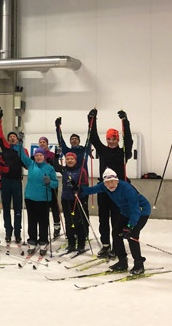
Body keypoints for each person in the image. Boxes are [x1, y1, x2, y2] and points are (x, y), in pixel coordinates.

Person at [79, 168, 151, 275]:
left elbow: (135, 210)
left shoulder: (127, 189)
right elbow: (92, 190)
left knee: (132, 236)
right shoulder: (104, 186)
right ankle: (122, 262)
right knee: (116, 233)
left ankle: (139, 264)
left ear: (117, 180)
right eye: (107, 182)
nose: (110, 184)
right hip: (126, 212)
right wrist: (79, 189)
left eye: (112, 181)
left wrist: (130, 226)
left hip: (141, 212)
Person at [88, 108, 133, 258]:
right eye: (109, 139)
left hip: (118, 191)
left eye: (114, 139)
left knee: (116, 219)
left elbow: (129, 140)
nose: (112, 141)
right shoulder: (102, 150)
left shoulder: (123, 152)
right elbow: (93, 137)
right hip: (104, 190)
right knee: (103, 219)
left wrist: (125, 122)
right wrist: (91, 119)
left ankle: (116, 245)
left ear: (117, 140)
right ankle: (105, 245)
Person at [12, 142, 59, 256]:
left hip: (44, 199)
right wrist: (20, 143)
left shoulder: (49, 168)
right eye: (37, 155)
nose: (38, 157)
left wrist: (50, 182)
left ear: (44, 157)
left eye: (41, 155)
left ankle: (43, 241)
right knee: (32, 220)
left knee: (43, 221)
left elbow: (56, 184)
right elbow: (22, 155)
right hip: (30, 198)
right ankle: (32, 240)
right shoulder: (31, 164)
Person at [0, 109, 27, 245]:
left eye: (14, 136)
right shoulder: (6, 148)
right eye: (10, 137)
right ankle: (8, 231)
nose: (12, 138)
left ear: (17, 138)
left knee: (18, 208)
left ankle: (18, 233)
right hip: (5, 181)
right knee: (7, 208)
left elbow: (26, 165)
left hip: (16, 182)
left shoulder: (22, 150)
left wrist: (21, 148)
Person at [60, 152, 89, 254]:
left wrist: (78, 187)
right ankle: (71, 243)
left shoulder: (82, 171)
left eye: (72, 159)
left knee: (79, 222)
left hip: (77, 199)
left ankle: (81, 244)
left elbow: (86, 186)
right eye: (67, 159)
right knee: (69, 222)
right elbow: (55, 165)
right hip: (66, 199)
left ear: (75, 160)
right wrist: (56, 156)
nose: (69, 161)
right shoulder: (64, 170)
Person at [34, 136, 62, 238]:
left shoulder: (51, 154)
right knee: (43, 207)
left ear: (47, 143)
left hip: (51, 183)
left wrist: (55, 159)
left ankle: (57, 226)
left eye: (44, 142)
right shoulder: (37, 154)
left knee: (54, 205)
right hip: (40, 185)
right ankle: (43, 227)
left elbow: (57, 168)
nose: (42, 143)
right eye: (40, 142)